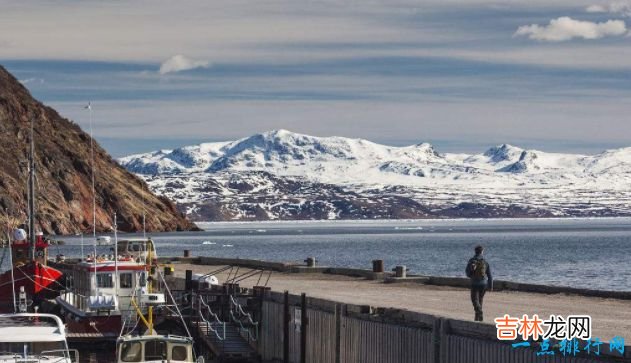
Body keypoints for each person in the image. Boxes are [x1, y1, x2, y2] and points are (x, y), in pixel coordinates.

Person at [465, 245, 493, 322]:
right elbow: (490, 275)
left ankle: (479, 313)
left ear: (475, 251)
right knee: (480, 300)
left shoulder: (471, 261)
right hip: (484, 284)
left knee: (474, 300)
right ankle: (477, 318)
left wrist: (472, 271)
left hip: (474, 283)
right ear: (482, 252)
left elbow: (468, 274)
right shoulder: (485, 261)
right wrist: (491, 286)